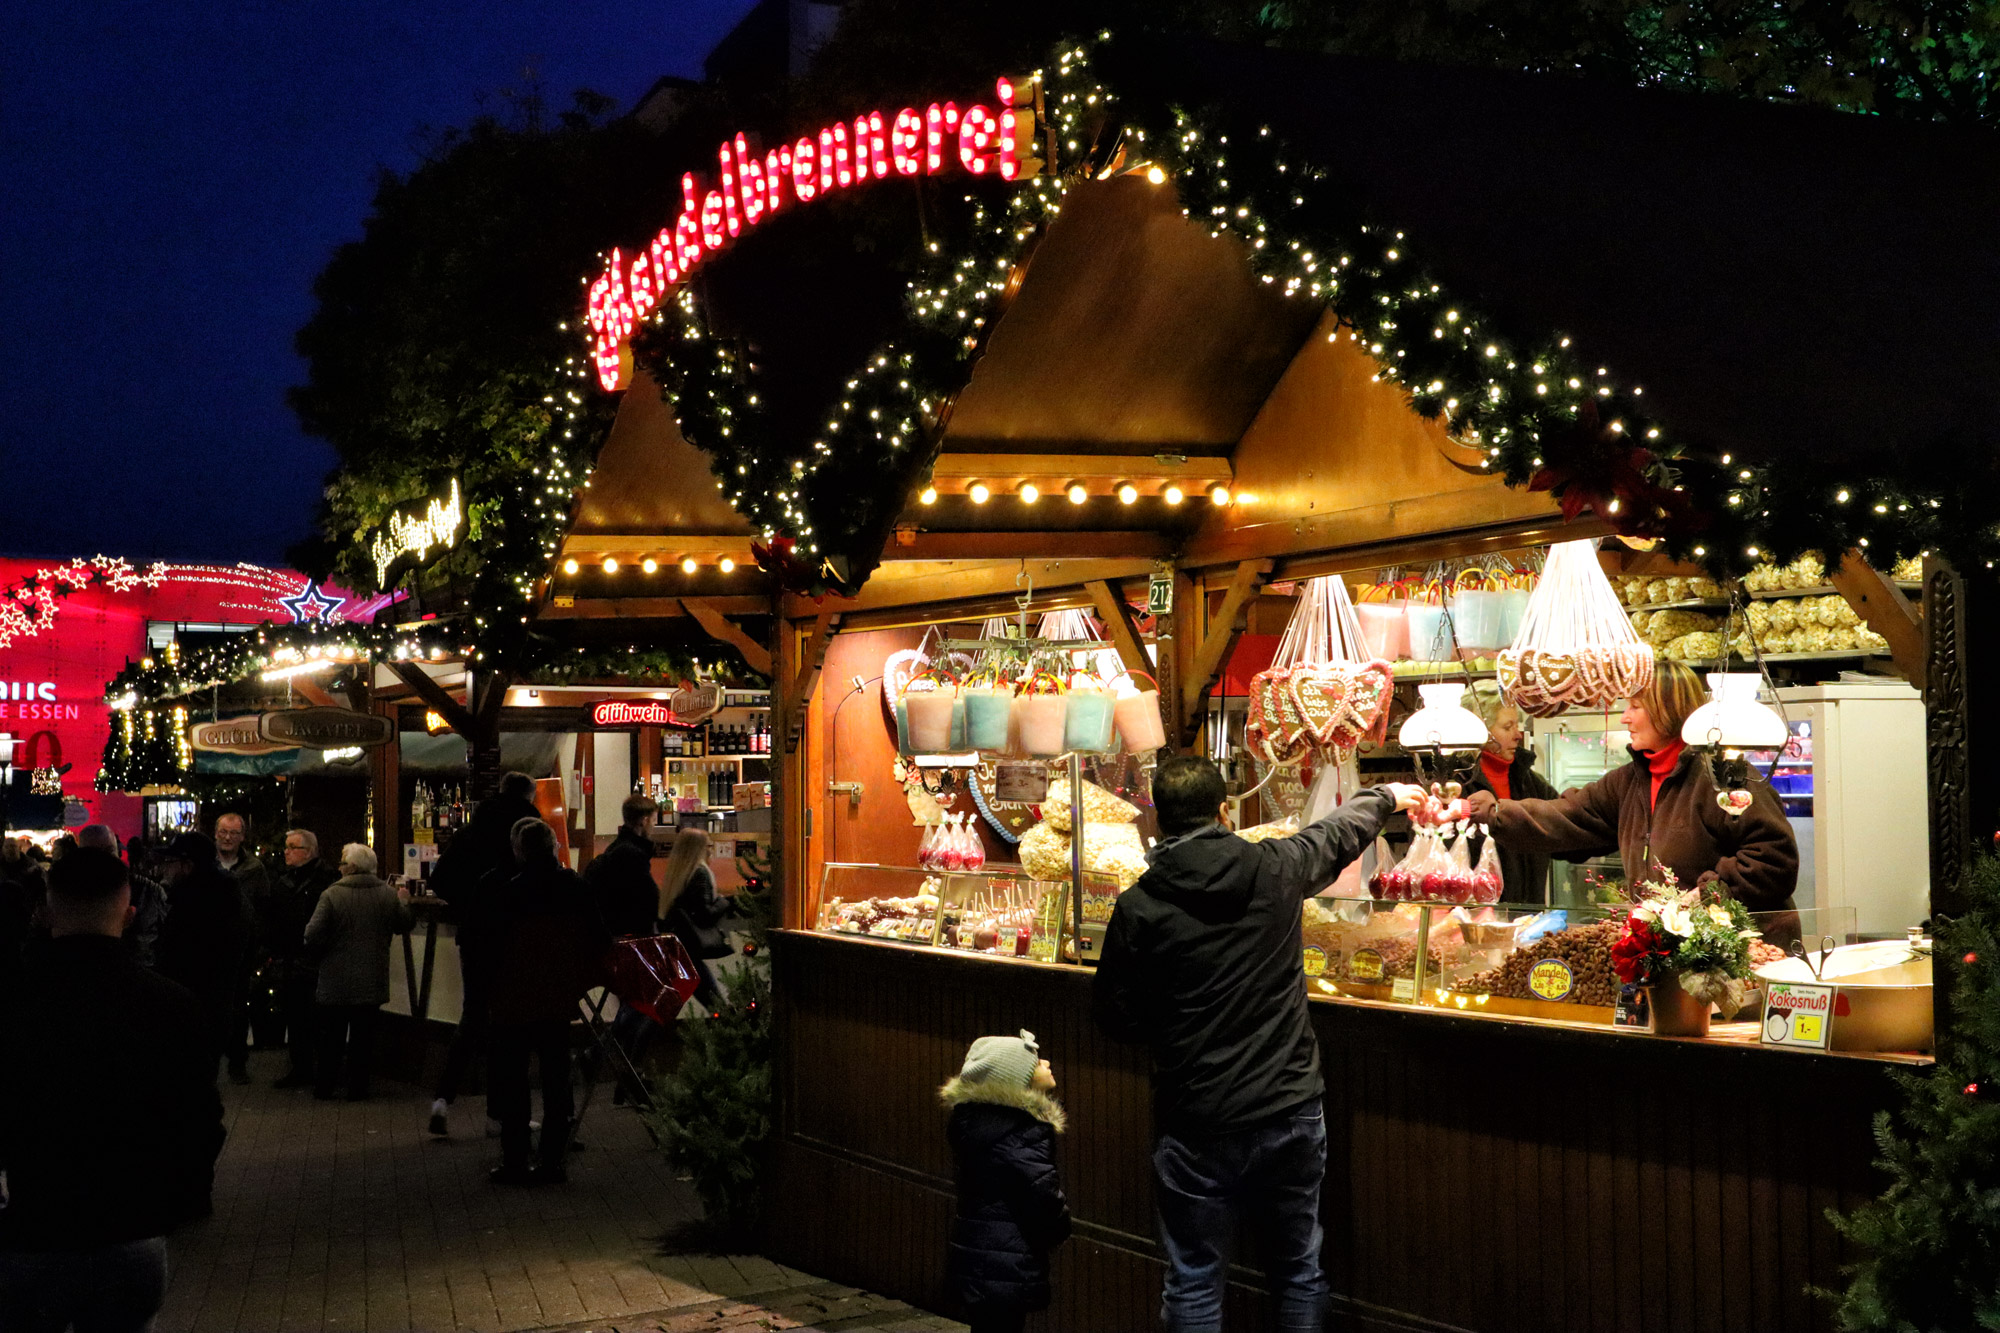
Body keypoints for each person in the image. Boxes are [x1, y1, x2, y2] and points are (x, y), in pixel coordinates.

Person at [1093, 756, 1424, 1333]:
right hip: (1288, 1107)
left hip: (1194, 1116)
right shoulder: (1276, 868)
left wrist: (1176, 1028)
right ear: (1224, 812)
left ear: (1158, 822)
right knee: (1298, 1269)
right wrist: (1388, 794)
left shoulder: (1138, 907)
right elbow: (1336, 833)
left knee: (1194, 1276)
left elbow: (1117, 1018)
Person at [0, 848, 225, 1333]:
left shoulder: (16, 1005)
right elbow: (199, 1120)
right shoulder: (170, 1006)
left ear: (46, 911)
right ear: (127, 915)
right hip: (131, 1228)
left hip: (34, 1224)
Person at [1465, 659, 1799, 910]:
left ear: (1665, 710)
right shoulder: (1629, 783)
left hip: (1737, 952)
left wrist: (1708, 896)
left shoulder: (1724, 778)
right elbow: (1567, 816)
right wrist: (1493, 812)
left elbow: (1772, 861)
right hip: (1667, 949)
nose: (1625, 717)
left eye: (1635, 706)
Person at [478, 817, 608, 1185]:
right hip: (558, 995)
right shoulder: (575, 888)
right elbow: (599, 938)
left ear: (519, 850)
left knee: (514, 1079)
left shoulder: (507, 892)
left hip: (514, 998)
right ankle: (553, 1158)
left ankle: (515, 1159)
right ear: (554, 848)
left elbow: (490, 949)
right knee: (556, 1076)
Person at [428, 771, 542, 1137]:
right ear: (528, 795)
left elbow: (439, 879)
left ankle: (443, 1099)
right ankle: (502, 1112)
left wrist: (468, 905)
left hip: (475, 935)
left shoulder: (470, 832)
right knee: (510, 1023)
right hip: (515, 936)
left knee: (473, 1016)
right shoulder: (527, 829)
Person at [939, 1029, 1070, 1333]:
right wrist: (1061, 1226)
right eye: (1036, 1063)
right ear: (1016, 1080)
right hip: (1010, 1260)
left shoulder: (974, 1123)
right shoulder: (1022, 1132)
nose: (1047, 1064)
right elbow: (1042, 1195)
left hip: (978, 1256)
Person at [302, 843, 413, 1101]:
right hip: (372, 978)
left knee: (332, 1037)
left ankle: (325, 1087)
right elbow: (403, 924)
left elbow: (311, 935)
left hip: (335, 979)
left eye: (342, 863)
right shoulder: (386, 894)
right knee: (363, 1038)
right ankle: (358, 1088)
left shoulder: (331, 895)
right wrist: (405, 902)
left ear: (350, 868)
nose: (339, 867)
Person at [584, 794, 664, 1103]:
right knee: (652, 1003)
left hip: (616, 939)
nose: (654, 826)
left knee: (640, 1004)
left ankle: (628, 1078)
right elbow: (646, 900)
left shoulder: (616, 852)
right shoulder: (631, 855)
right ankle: (604, 1057)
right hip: (631, 942)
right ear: (644, 820)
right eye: (653, 820)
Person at [154, 831, 253, 1079]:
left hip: (193, 1013)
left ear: (187, 866)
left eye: (170, 862)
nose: (164, 869)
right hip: (211, 1011)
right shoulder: (223, 896)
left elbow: (181, 962)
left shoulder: (196, 907)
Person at [1451, 683, 1560, 904]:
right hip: (1472, 923)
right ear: (1481, 731)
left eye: (1516, 725)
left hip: (1529, 919)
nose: (1518, 735)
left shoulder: (1531, 783)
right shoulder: (1453, 786)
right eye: (1507, 726)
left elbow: (1564, 830)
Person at [268, 829, 339, 1088]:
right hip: (290, 957)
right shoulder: (285, 881)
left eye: (292, 847)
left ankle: (320, 1070)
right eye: (286, 846)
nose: (285, 851)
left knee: (317, 1017)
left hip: (316, 958)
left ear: (307, 852)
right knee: (295, 1016)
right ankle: (300, 1068)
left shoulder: (326, 880)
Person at [213, 813, 271, 1083]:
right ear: (215, 833)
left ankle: (238, 1063)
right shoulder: (207, 865)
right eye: (223, 832)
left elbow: (263, 908)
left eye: (233, 833)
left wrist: (257, 942)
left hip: (241, 949)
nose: (227, 838)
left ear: (242, 837)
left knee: (237, 1007)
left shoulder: (253, 869)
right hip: (209, 948)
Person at [659, 827, 738, 1014]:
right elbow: (704, 915)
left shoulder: (677, 874)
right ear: (698, 849)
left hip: (678, 945)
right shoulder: (700, 873)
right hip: (690, 947)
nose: (711, 850)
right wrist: (725, 901)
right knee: (714, 1003)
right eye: (708, 845)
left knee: (664, 1005)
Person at [75, 824, 167, 969]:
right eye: (94, 853)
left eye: (108, 851)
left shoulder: (149, 892)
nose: (102, 860)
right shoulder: (71, 896)